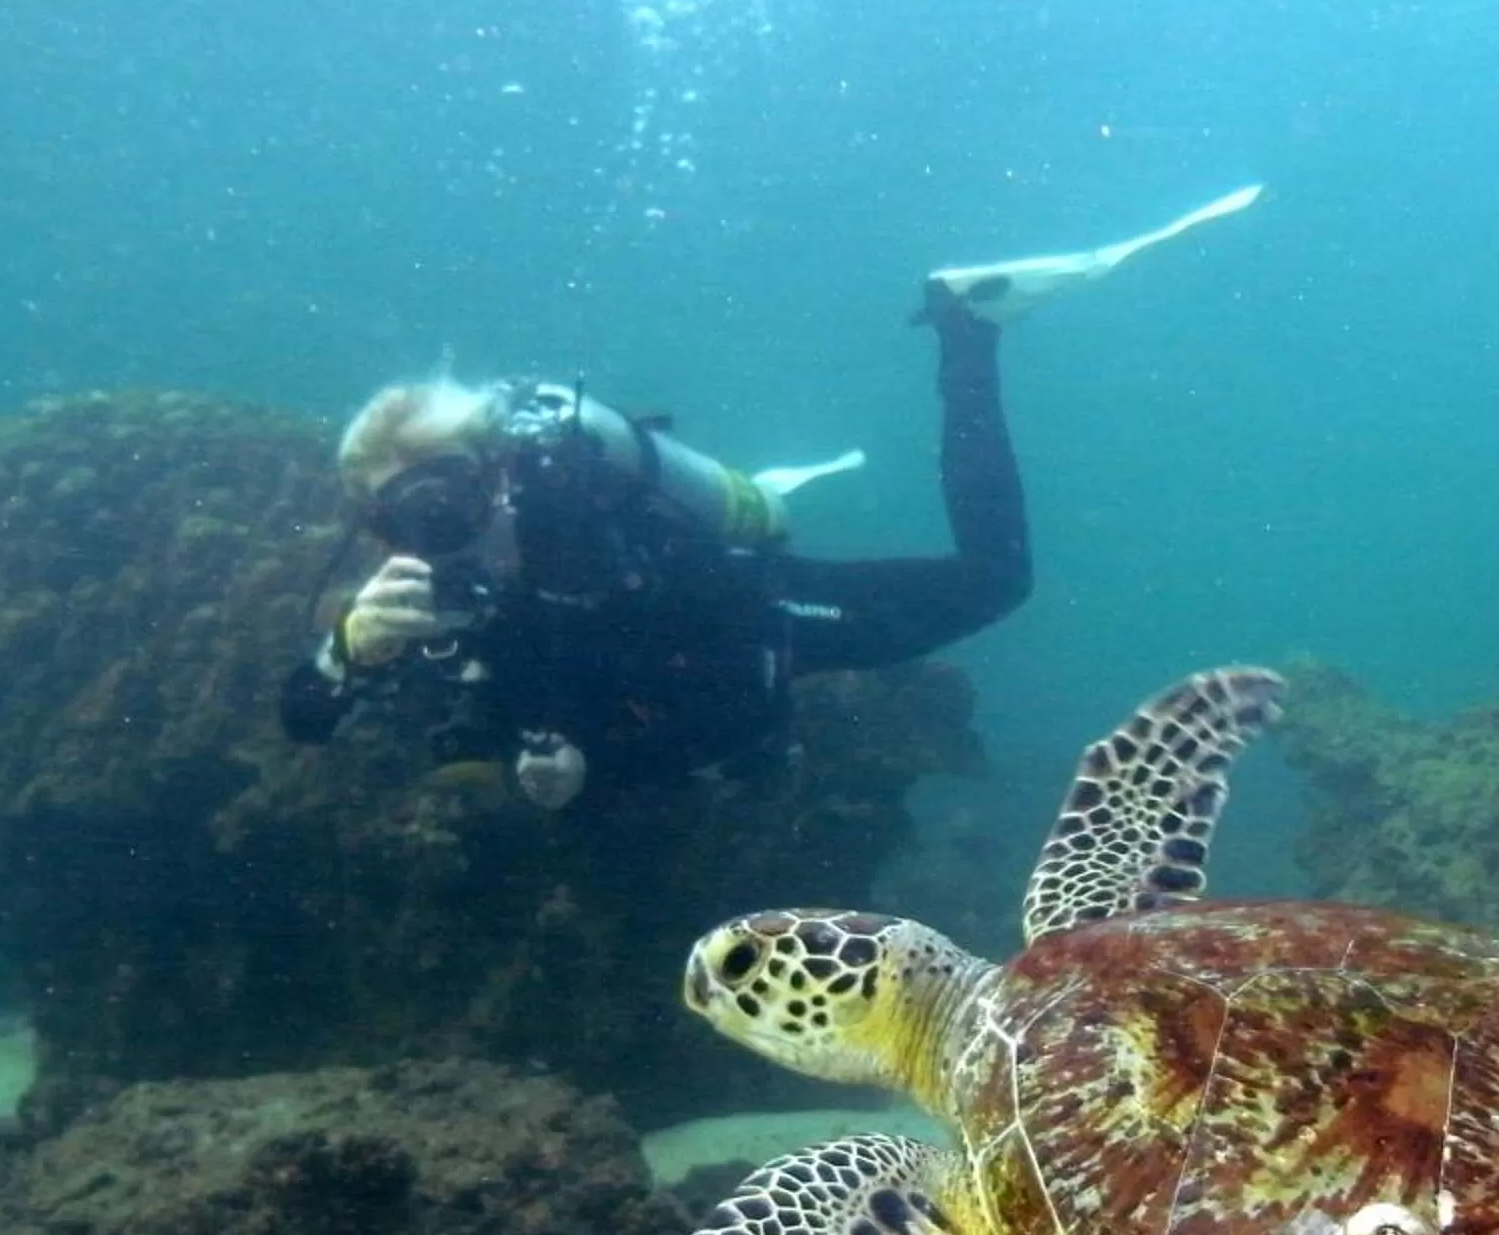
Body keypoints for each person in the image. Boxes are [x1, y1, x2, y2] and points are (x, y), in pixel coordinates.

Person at [282, 185, 1264, 810]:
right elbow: (305, 720)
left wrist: (598, 760)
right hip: (652, 699)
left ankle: (969, 330)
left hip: (759, 615)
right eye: (400, 518)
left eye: (445, 497)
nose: (434, 532)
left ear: (496, 469)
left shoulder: (570, 506)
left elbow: (721, 684)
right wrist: (346, 651)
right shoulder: (415, 591)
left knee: (997, 581)